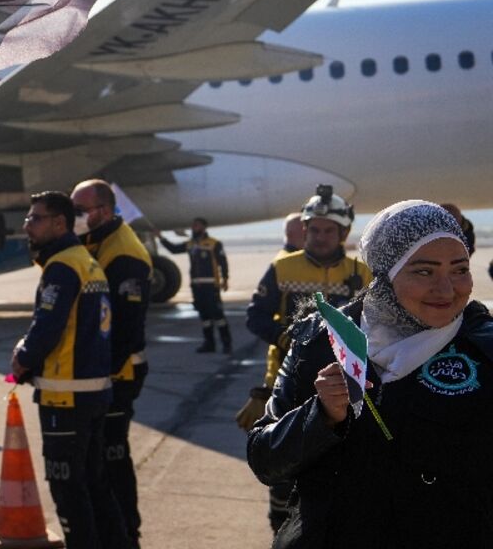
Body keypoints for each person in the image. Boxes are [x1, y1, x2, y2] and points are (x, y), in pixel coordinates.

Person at [247, 200, 491, 547]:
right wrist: (322, 415)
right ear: (387, 273)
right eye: (424, 271)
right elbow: (265, 460)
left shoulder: (483, 349)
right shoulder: (321, 339)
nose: (448, 289)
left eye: (459, 269)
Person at [239, 187, 371, 533]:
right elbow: (256, 316)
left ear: (343, 233)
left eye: (329, 230)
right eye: (314, 229)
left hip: (347, 389)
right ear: (304, 230)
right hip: (288, 383)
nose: (321, 237)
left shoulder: (363, 272)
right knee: (283, 481)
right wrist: (288, 338)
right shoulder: (282, 268)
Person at [11, 191, 129, 548]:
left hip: (67, 396)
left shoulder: (62, 265)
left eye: (35, 218)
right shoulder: (85, 260)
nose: (27, 226)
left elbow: (48, 326)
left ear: (59, 223)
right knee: (94, 484)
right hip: (94, 392)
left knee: (68, 488)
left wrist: (22, 357)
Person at [72, 179, 151, 547]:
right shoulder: (94, 240)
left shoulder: (125, 254)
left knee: (113, 454)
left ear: (103, 210)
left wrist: (101, 375)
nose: (74, 218)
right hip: (100, 373)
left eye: (79, 210)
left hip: (119, 373)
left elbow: (126, 329)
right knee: (99, 456)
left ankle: (127, 531)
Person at [159, 218, 231, 353]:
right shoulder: (190, 244)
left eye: (196, 226)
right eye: (193, 226)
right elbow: (174, 249)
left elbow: (222, 262)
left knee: (218, 315)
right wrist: (161, 238)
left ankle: (226, 343)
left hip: (210, 285)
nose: (193, 228)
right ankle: (209, 344)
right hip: (197, 286)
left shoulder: (214, 244)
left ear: (203, 228)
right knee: (204, 316)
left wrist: (225, 278)